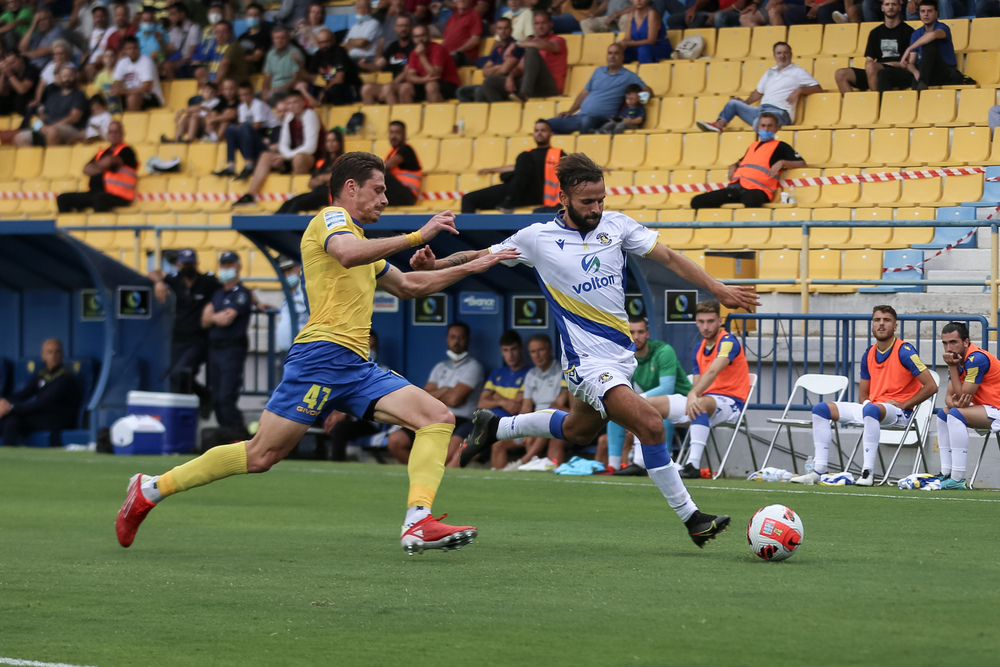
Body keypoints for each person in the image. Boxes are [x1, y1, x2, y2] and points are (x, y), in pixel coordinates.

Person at [115, 151, 517, 554]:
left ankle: (418, 522)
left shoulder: (362, 243)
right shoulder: (331, 219)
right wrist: (417, 236)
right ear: (350, 188)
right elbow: (346, 253)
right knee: (261, 455)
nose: (384, 199)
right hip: (321, 358)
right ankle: (150, 489)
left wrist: (476, 262)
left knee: (437, 418)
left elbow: (410, 285)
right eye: (378, 190)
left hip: (356, 366)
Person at [449, 153, 758, 548]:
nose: (596, 208)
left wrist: (716, 287)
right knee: (649, 424)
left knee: (578, 430)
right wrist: (436, 261)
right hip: (585, 362)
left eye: (600, 200)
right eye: (587, 202)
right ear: (563, 198)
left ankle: (495, 426)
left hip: (619, 358)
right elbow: (480, 257)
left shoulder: (616, 225)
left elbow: (669, 257)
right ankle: (693, 518)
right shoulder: (537, 238)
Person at [790, 305, 938, 487]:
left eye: (886, 320)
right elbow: (863, 395)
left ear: (895, 326)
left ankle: (867, 473)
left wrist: (905, 404)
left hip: (900, 413)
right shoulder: (869, 353)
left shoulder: (905, 351)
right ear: (872, 324)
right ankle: (818, 471)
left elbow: (931, 386)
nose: (881, 324)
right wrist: (868, 404)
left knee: (871, 409)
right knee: (821, 409)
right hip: (873, 410)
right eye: (877, 320)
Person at [643, 301, 752, 479]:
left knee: (699, 404)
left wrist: (693, 394)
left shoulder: (728, 341)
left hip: (731, 402)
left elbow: (713, 371)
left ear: (720, 321)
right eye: (701, 322)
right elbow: (698, 382)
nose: (705, 327)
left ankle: (693, 465)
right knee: (647, 404)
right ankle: (642, 462)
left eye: (710, 321)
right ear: (696, 322)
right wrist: (694, 395)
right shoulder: (698, 348)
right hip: (705, 400)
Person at [609, 316, 692, 476]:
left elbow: (667, 388)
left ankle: (665, 463)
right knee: (614, 410)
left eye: (640, 332)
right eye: (632, 332)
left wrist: (634, 401)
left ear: (647, 334)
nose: (636, 337)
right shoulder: (626, 356)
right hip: (654, 404)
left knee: (653, 412)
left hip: (685, 403)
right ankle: (613, 466)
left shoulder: (664, 351)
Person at [150, 248, 222, 411]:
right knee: (173, 375)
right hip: (179, 339)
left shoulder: (207, 282)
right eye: (184, 264)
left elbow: (230, 288)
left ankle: (197, 402)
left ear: (196, 264)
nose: (187, 267)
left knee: (181, 372)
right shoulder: (175, 280)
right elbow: (154, 273)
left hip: (198, 339)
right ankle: (196, 400)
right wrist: (158, 282)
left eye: (190, 263)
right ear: (178, 264)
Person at [933, 321, 1000, 491]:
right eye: (945, 343)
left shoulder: (976, 359)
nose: (949, 348)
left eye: (953, 342)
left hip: (996, 408)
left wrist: (952, 367)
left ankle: (957, 478)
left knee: (955, 414)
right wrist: (955, 401)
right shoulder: (958, 360)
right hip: (987, 408)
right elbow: (949, 397)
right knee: (943, 414)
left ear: (966, 342)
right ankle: (945, 472)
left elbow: (961, 395)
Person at [696, 42, 820, 133]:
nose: (782, 56)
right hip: (761, 111)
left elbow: (818, 88)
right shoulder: (770, 71)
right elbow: (759, 92)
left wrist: (800, 90)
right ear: (774, 55)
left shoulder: (798, 72)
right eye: (779, 53)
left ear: (791, 54)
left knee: (759, 123)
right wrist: (745, 103)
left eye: (785, 53)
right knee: (733, 104)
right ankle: (718, 125)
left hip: (780, 113)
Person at [690, 112, 806, 209]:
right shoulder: (753, 145)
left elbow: (802, 163)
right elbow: (742, 162)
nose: (766, 129)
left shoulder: (781, 146)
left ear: (777, 129)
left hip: (758, 190)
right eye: (763, 125)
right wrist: (733, 166)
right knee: (697, 201)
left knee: (751, 202)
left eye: (770, 126)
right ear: (758, 128)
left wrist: (782, 162)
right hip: (737, 187)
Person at [233, 90, 320, 206]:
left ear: (303, 102)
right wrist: (284, 156)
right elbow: (283, 144)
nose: (292, 106)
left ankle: (298, 196)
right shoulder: (289, 117)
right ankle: (250, 195)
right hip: (290, 157)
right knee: (266, 155)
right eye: (289, 103)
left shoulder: (310, 115)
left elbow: (310, 147)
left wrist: (285, 156)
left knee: (299, 158)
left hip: (311, 158)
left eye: (295, 102)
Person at [201, 251, 255, 433]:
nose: (226, 268)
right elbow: (204, 321)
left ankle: (238, 435)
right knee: (216, 397)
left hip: (232, 350)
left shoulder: (241, 293)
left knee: (226, 397)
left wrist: (212, 317)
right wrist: (214, 317)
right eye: (223, 265)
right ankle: (225, 435)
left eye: (230, 264)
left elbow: (227, 319)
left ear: (238, 267)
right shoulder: (217, 294)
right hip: (214, 350)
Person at [461, 119, 565, 214]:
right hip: (516, 190)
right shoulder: (528, 153)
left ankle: (510, 200)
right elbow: (517, 168)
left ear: (551, 134)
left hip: (537, 194)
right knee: (468, 199)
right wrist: (491, 170)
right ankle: (465, 230)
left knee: (523, 157)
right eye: (536, 130)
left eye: (543, 130)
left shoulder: (558, 154)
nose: (539, 133)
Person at [546, 43, 650, 135]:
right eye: (610, 53)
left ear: (622, 57)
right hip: (580, 116)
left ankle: (583, 150)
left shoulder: (629, 76)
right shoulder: (598, 71)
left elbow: (648, 91)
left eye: (616, 53)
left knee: (586, 121)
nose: (612, 56)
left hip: (602, 119)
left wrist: (637, 98)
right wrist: (570, 111)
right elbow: (584, 92)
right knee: (546, 124)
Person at [503, 334, 569, 469]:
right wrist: (524, 429)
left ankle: (524, 461)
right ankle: (502, 474)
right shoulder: (531, 374)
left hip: (559, 421)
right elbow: (526, 407)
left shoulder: (563, 371)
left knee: (551, 422)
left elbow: (559, 403)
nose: (537, 355)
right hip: (537, 422)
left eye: (541, 350)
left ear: (550, 350)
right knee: (500, 443)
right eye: (533, 352)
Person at [0, 339, 81, 446]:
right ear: (43, 356)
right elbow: (24, 394)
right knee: (8, 420)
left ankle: (10, 454)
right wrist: (4, 401)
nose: (53, 356)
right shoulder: (41, 375)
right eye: (50, 352)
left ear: (62, 355)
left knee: (12, 421)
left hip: (57, 419)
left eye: (57, 352)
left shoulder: (66, 378)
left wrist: (10, 407)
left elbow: (41, 403)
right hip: (40, 416)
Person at [478, 11, 566, 103]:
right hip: (532, 85)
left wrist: (516, 44)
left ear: (551, 24)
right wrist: (510, 77)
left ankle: (524, 93)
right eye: (537, 23)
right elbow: (520, 66)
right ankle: (502, 110)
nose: (540, 26)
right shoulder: (531, 43)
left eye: (543, 23)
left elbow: (544, 45)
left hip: (549, 87)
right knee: (489, 82)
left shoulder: (559, 40)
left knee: (531, 50)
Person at [478, 330, 531, 471]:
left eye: (514, 349)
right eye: (506, 350)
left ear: (521, 349)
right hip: (489, 426)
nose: (510, 355)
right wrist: (502, 402)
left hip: (510, 426)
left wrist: (495, 395)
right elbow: (481, 403)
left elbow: (516, 407)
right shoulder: (497, 374)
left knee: (495, 441)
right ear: (501, 352)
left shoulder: (529, 373)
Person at [878, 0, 959, 91]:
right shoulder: (916, 34)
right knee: (883, 74)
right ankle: (886, 100)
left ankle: (921, 83)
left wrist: (909, 49)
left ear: (936, 13)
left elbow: (933, 35)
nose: (926, 14)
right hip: (922, 73)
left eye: (929, 11)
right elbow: (911, 63)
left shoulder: (943, 27)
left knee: (929, 44)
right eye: (922, 11)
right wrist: (916, 72)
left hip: (943, 72)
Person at [57, 121, 137, 212]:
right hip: (95, 192)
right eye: (111, 132)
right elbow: (86, 169)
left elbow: (110, 161)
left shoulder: (127, 150)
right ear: (108, 135)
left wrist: (96, 166)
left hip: (118, 194)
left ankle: (100, 221)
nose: (113, 135)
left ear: (122, 134)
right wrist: (103, 166)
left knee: (99, 199)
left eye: (116, 132)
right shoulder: (101, 152)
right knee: (63, 199)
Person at [834, 0, 913, 93]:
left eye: (894, 4)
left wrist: (884, 65)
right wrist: (872, 67)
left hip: (899, 73)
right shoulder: (875, 32)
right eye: (887, 4)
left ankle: (875, 100)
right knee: (841, 74)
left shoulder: (909, 31)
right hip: (876, 72)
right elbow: (869, 59)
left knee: (872, 67)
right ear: (882, 8)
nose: (890, 7)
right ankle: (853, 102)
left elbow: (909, 63)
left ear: (899, 7)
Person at [215, 81, 282, 180]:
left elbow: (257, 125)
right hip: (255, 135)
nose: (244, 97)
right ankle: (231, 166)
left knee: (245, 127)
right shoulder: (241, 107)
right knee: (230, 129)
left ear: (252, 94)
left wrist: (242, 133)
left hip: (269, 133)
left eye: (246, 94)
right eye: (241, 95)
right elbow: (242, 126)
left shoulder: (258, 105)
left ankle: (249, 165)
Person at [14, 63, 87, 147]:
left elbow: (74, 117)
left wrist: (51, 127)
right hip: (49, 128)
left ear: (75, 77)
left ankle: (51, 156)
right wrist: (37, 128)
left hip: (72, 129)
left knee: (52, 131)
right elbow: (43, 115)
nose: (67, 78)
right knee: (20, 138)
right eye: (64, 76)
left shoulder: (79, 95)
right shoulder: (53, 96)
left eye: (70, 76)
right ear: (60, 78)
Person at [277, 128, 345, 213]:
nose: (330, 144)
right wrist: (324, 179)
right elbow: (311, 183)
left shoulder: (343, 161)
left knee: (298, 204)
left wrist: (321, 178)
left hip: (329, 195)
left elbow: (338, 179)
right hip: (316, 191)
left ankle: (286, 222)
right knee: (289, 203)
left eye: (333, 140)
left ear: (339, 142)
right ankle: (273, 221)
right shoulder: (322, 162)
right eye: (328, 141)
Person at [393, 22, 459, 103]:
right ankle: (408, 111)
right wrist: (424, 79)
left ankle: (435, 111)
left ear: (428, 35)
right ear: (413, 39)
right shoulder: (413, 53)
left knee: (431, 86)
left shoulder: (438, 49)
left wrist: (422, 56)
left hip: (448, 84)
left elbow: (434, 75)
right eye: (417, 36)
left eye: (423, 35)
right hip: (426, 83)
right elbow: (410, 77)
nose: (420, 39)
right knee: (405, 87)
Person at [359, 14, 414, 104]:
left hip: (407, 85)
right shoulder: (393, 46)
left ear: (411, 27)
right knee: (366, 89)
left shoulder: (414, 46)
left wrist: (391, 85)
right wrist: (366, 65)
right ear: (395, 28)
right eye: (400, 26)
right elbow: (380, 64)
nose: (403, 29)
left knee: (387, 88)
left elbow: (406, 72)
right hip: (392, 84)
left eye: (406, 25)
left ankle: (395, 113)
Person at [310, 28, 362, 105]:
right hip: (329, 86)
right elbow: (310, 75)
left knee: (335, 89)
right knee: (313, 89)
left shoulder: (340, 52)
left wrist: (324, 91)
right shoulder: (318, 55)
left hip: (349, 88)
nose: (324, 45)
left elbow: (339, 79)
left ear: (333, 40)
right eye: (321, 43)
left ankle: (340, 111)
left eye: (326, 42)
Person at [111, 36, 164, 111]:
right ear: (124, 51)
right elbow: (116, 86)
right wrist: (116, 91)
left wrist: (121, 91)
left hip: (151, 97)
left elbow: (146, 89)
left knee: (133, 98)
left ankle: (133, 119)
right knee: (107, 98)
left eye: (135, 48)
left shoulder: (146, 61)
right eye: (129, 49)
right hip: (130, 95)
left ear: (139, 48)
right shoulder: (122, 63)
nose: (132, 51)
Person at [261, 27, 305, 105]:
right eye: (277, 38)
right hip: (273, 90)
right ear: (273, 40)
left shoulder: (294, 53)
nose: (279, 41)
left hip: (288, 90)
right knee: (255, 97)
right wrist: (265, 91)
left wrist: (278, 89)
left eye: (282, 38)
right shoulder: (270, 54)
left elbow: (296, 79)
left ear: (288, 39)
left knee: (274, 97)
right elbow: (267, 77)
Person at [384, 120, 422, 207]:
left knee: (377, 173)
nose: (393, 136)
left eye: (397, 133)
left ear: (404, 134)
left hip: (407, 195)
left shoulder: (406, 149)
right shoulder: (392, 152)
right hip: (398, 194)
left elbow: (386, 165)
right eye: (391, 132)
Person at [276, 257, 308, 356]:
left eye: (289, 269)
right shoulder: (289, 293)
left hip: (303, 350)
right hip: (290, 351)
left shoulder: (306, 291)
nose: (286, 274)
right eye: (283, 271)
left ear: (299, 268)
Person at [165, 1, 202, 79]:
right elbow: (170, 50)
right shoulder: (174, 30)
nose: (170, 18)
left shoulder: (193, 28)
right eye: (169, 15)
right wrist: (160, 41)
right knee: (161, 65)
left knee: (168, 66)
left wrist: (178, 61)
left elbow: (192, 54)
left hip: (190, 62)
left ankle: (175, 86)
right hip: (179, 60)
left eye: (173, 14)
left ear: (182, 14)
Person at [441, 0, 481, 66]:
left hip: (464, 56)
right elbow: (445, 39)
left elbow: (475, 40)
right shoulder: (452, 18)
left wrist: (457, 51)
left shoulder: (474, 14)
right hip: (450, 55)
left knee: (449, 60)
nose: (462, 0)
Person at [236, 2, 272, 76]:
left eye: (255, 15)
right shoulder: (242, 37)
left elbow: (256, 57)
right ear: (246, 17)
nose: (252, 17)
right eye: (250, 15)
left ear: (261, 17)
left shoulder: (264, 36)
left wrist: (239, 58)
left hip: (256, 73)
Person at [0, 52, 40, 117]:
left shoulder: (31, 70)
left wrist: (9, 74)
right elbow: (3, 92)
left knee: (21, 98)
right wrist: (2, 74)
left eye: (13, 62)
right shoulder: (11, 71)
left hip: (30, 103)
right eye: (8, 64)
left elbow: (22, 90)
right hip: (13, 107)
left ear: (20, 58)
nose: (11, 66)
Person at [81, 3, 112, 82]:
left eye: (102, 16)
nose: (99, 19)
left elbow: (113, 50)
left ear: (107, 17)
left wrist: (103, 56)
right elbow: (90, 50)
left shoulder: (112, 31)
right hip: (91, 63)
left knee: (89, 68)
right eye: (96, 17)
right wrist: (85, 56)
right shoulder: (93, 33)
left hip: (104, 63)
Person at [344, 0, 381, 64]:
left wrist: (351, 42)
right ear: (356, 10)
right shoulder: (354, 27)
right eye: (359, 8)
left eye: (364, 7)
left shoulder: (374, 23)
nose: (362, 10)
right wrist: (354, 43)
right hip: (352, 59)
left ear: (370, 9)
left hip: (368, 59)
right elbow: (345, 45)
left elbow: (363, 43)